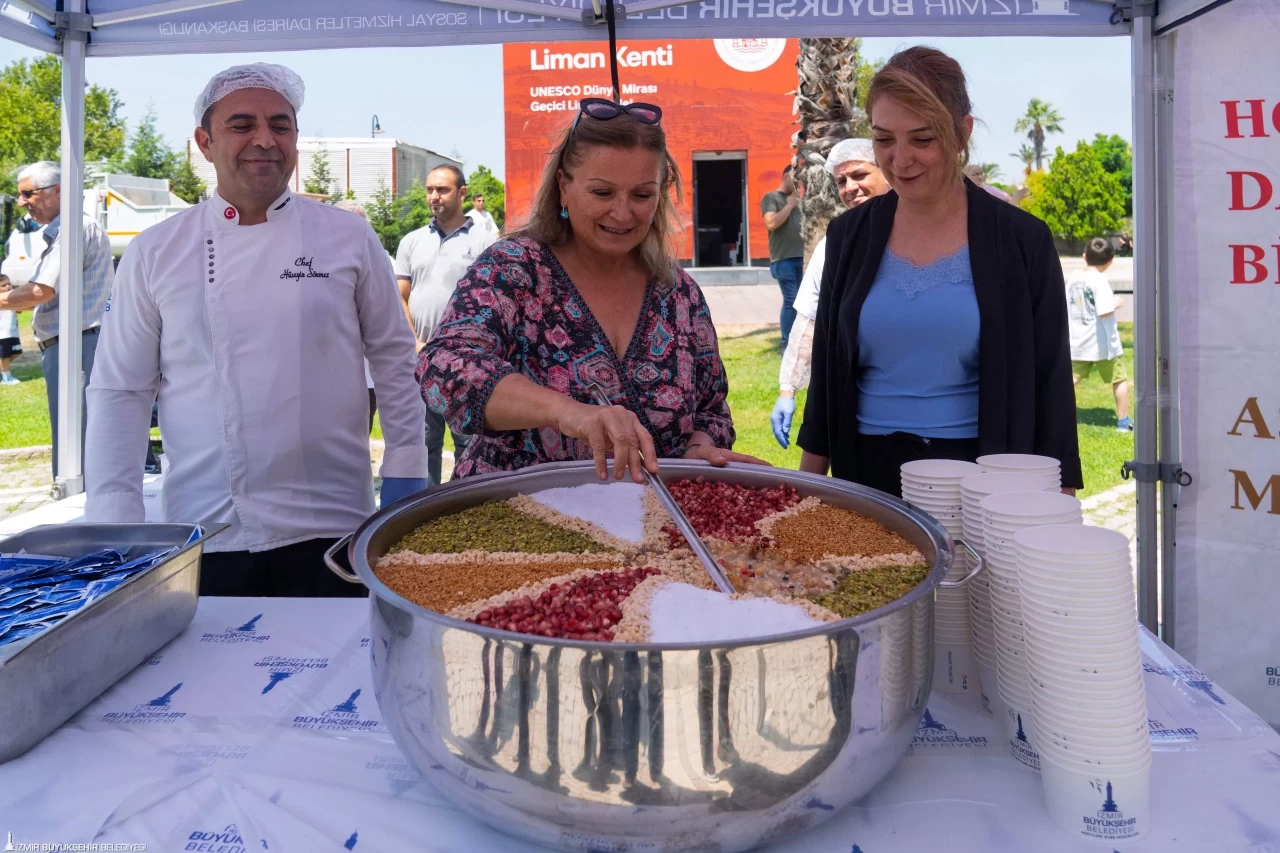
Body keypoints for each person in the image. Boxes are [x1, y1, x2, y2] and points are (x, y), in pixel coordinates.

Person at [85, 63, 428, 597]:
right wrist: (114, 515)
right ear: (204, 142)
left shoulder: (348, 237)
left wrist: (406, 469)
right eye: (242, 124)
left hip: (335, 521)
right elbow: (120, 389)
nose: (265, 140)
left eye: (280, 125)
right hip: (205, 525)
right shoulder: (156, 251)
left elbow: (394, 360)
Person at [418, 97, 765, 482]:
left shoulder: (679, 294)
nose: (622, 212)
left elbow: (711, 411)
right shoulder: (514, 270)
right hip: (513, 512)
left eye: (642, 195)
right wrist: (568, 412)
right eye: (602, 193)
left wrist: (696, 450)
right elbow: (444, 367)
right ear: (563, 187)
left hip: (649, 516)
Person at [798, 46, 1082, 496]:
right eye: (884, 139)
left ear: (962, 132)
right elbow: (828, 376)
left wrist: (1059, 501)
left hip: (983, 476)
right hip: (865, 474)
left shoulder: (1021, 239)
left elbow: (1051, 383)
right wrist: (806, 491)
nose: (900, 159)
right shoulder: (849, 235)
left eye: (922, 139)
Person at [771, 139, 890, 448]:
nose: (850, 187)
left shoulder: (925, 235)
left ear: (887, 171)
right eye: (841, 181)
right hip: (860, 403)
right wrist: (787, 389)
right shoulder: (834, 244)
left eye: (860, 175)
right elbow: (809, 319)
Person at [0, 161, 113, 478]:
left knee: (75, 445)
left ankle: (79, 504)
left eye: (28, 194)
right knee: (79, 438)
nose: (21, 202)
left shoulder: (73, 229)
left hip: (75, 346)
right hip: (75, 344)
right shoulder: (70, 228)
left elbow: (40, 291)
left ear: (59, 191)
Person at [394, 165, 495, 486]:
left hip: (468, 364)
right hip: (421, 359)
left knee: (469, 443)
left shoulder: (485, 241)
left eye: (442, 189)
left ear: (462, 193)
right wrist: (415, 343)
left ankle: (464, 505)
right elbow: (400, 297)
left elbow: (493, 302)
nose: (434, 196)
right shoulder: (412, 241)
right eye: (430, 190)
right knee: (424, 443)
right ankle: (427, 507)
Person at [1067, 237, 1130, 432]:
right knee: (1119, 379)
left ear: (1084, 256)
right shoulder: (1100, 280)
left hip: (1078, 341)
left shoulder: (1074, 277)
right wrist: (1116, 303)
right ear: (1110, 261)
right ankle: (1123, 423)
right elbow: (1103, 311)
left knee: (1069, 379)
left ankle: (1054, 415)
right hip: (1103, 345)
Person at [334, 197, 381, 434]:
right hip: (328, 374)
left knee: (360, 436)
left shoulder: (383, 263)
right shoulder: (315, 265)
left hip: (367, 376)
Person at [761, 164, 804, 353]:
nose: (799, 184)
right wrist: (789, 205)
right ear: (787, 177)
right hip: (783, 259)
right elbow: (771, 223)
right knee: (791, 300)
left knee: (803, 302)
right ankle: (786, 343)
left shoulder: (799, 200)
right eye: (796, 180)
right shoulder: (771, 198)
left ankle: (801, 342)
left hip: (803, 258)